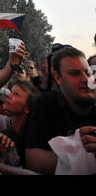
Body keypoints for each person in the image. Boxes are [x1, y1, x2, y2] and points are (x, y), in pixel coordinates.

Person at [25, 46, 96, 174]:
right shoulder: (46, 104)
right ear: (58, 78)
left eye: (88, 73)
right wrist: (84, 154)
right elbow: (34, 160)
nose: (86, 79)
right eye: (75, 73)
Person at [0, 79, 39, 175]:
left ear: (27, 108)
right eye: (11, 91)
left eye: (16, 94)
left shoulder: (33, 134)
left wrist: (11, 154)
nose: (8, 95)